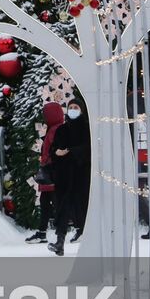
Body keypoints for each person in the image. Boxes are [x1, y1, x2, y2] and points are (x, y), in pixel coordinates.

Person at [48, 98, 91, 255]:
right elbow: (54, 151)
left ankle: (86, 238)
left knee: (83, 208)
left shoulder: (87, 129)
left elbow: (89, 149)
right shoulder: (62, 129)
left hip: (82, 177)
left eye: (76, 107)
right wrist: (57, 153)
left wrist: (71, 152)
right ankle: (60, 241)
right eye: (70, 107)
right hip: (64, 177)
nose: (72, 109)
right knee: (63, 208)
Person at [26, 102, 63, 244]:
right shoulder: (53, 128)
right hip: (51, 173)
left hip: (52, 173)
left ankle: (58, 235)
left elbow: (54, 150)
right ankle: (43, 233)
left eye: (46, 114)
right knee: (46, 203)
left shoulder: (55, 130)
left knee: (53, 204)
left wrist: (46, 160)